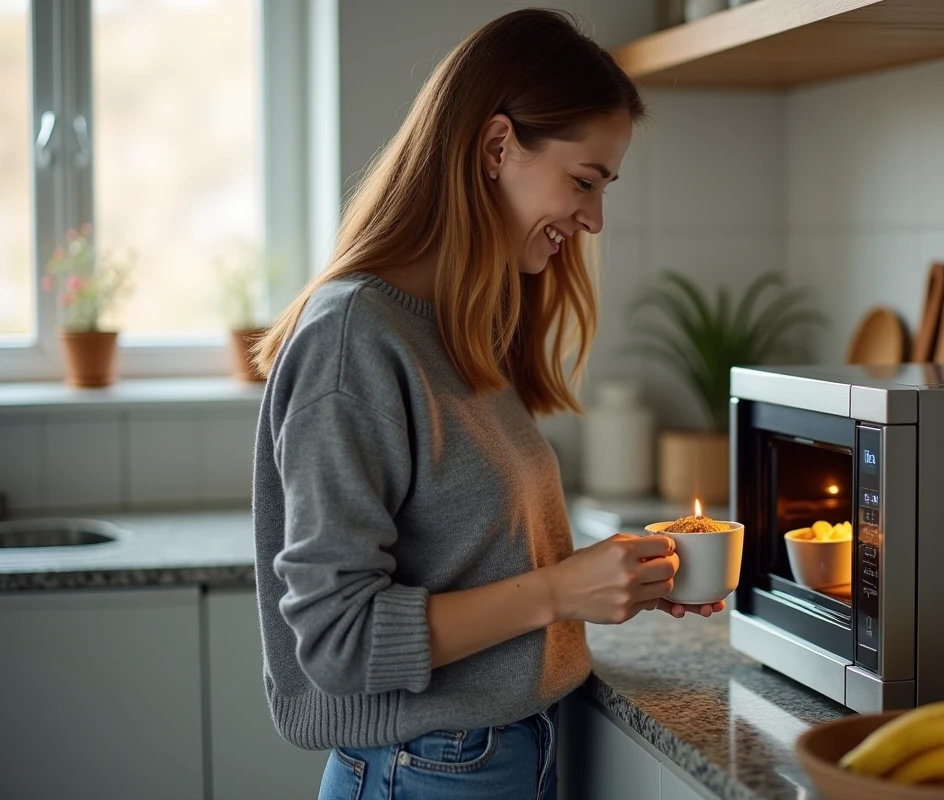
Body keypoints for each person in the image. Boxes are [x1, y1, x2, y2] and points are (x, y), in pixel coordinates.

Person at [248, 9, 724, 799]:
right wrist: (562, 590)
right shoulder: (356, 338)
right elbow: (337, 642)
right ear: (498, 146)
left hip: (491, 758)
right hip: (421, 772)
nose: (594, 218)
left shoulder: (457, 326)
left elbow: (475, 562)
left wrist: (608, 585)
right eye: (583, 181)